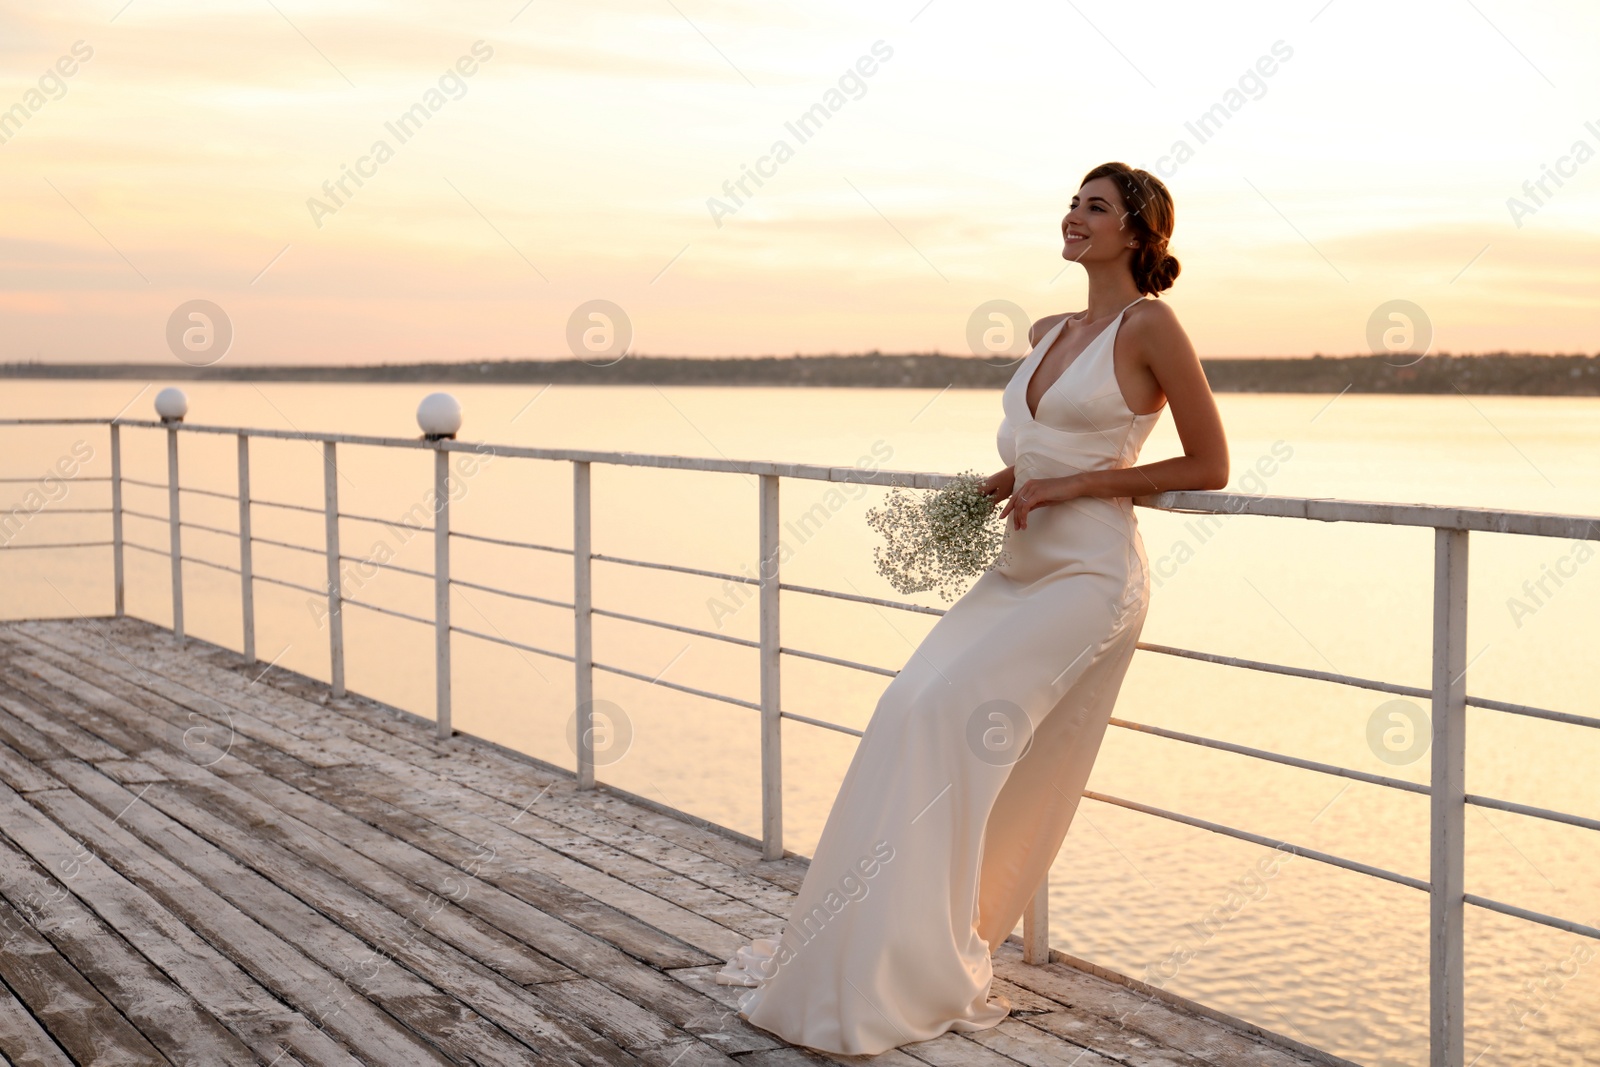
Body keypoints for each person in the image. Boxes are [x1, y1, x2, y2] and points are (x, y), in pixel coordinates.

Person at [715, 161, 1230, 1055]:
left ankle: (925, 960)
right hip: (1015, 567)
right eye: (1073, 201)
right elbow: (1038, 444)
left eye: (1095, 207)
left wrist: (1082, 482)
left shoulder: (1153, 326)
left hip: (1089, 579)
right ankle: (878, 943)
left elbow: (1208, 463)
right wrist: (997, 485)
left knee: (949, 714)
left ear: (1139, 234)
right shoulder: (1050, 328)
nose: (1074, 215)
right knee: (906, 706)